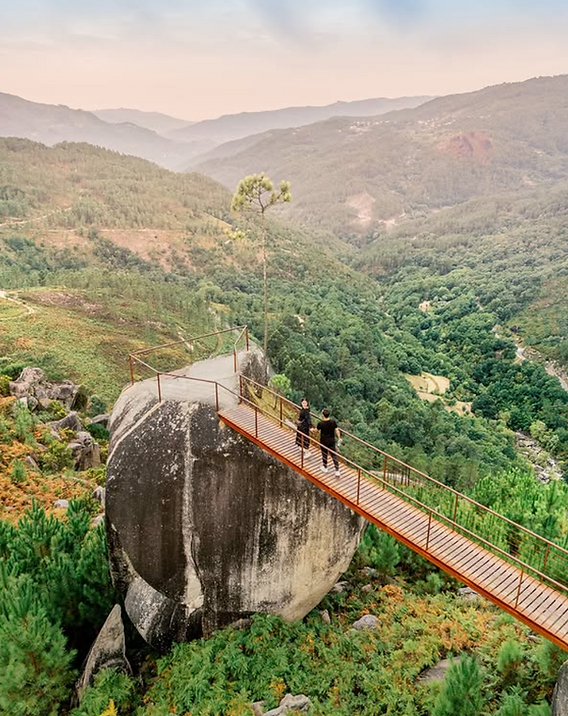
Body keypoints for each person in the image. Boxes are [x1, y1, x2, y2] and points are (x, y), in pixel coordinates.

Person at [317, 408, 341, 476]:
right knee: (333, 455)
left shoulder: (321, 423)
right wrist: (339, 438)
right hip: (331, 440)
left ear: (323, 415)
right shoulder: (333, 422)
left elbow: (316, 430)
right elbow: (337, 430)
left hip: (323, 441)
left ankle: (325, 467)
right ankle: (337, 470)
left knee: (324, 454)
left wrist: (312, 430)